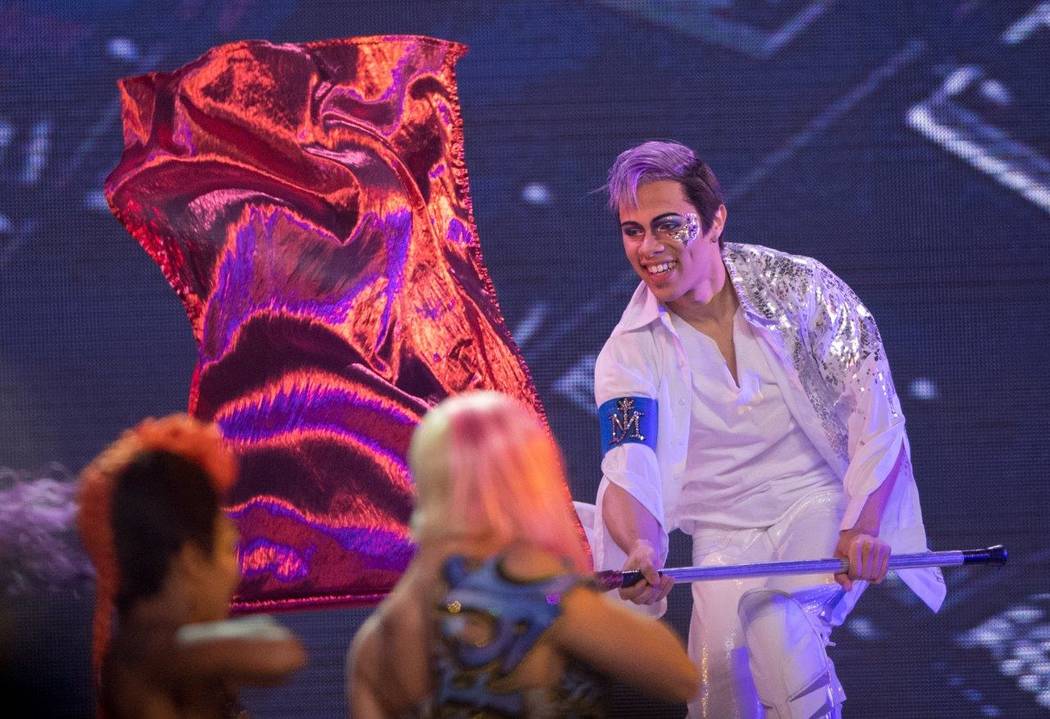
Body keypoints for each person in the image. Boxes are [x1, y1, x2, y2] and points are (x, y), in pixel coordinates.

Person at [590, 140, 946, 718]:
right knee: (717, 696)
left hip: (820, 504)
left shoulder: (804, 288)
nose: (648, 248)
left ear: (714, 220)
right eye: (633, 231)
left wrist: (863, 527)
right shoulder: (626, 355)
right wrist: (641, 547)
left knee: (777, 630)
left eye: (668, 225)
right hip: (722, 533)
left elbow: (877, 415)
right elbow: (630, 462)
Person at [347, 391, 699, 717]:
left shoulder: (378, 638)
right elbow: (680, 677)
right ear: (527, 478)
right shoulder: (533, 591)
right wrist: (561, 591)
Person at [78, 414, 306, 718]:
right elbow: (279, 652)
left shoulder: (161, 654)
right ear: (191, 561)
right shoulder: (141, 654)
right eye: (227, 549)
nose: (236, 572)